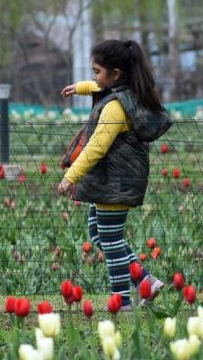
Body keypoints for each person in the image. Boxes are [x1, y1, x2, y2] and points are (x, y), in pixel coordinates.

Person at [58, 39, 171, 311]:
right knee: (100, 235)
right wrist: (82, 88)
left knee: (111, 240)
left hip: (116, 183)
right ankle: (146, 281)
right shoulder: (125, 91)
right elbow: (100, 86)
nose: (94, 76)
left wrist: (70, 176)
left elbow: (95, 148)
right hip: (115, 181)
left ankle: (122, 301)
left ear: (116, 75)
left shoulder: (115, 108)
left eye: (97, 71)